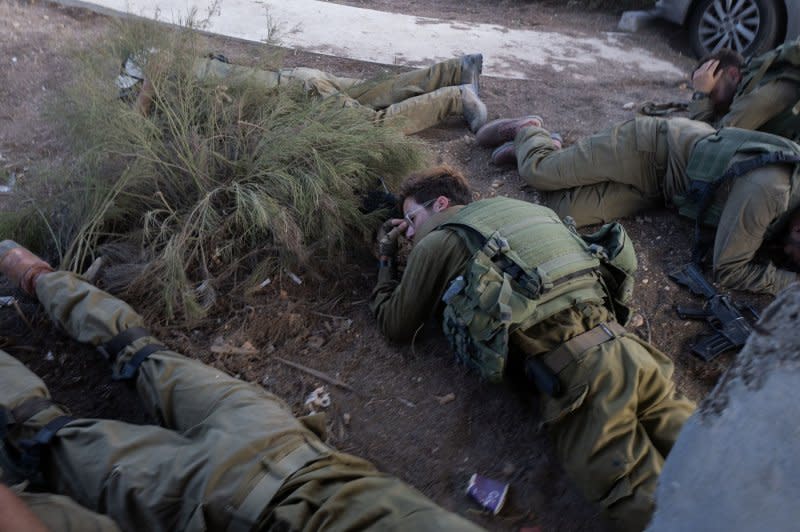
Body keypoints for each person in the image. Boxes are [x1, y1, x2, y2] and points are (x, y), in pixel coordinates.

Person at [0, 241, 485, 532]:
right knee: (46, 435)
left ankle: (32, 272)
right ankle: (35, 278)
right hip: (216, 494)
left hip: (274, 439)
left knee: (138, 353)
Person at [369, 166, 696, 532]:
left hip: (581, 380)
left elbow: (394, 324)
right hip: (632, 352)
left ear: (441, 203)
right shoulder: (525, 211)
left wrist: (385, 258)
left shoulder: (438, 241)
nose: (409, 232)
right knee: (708, 455)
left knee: (644, 501)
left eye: (411, 219)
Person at [477, 115, 800, 295]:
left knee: (561, 212)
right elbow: (730, 271)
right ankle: (530, 131)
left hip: (664, 191)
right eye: (794, 254)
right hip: (650, 146)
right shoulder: (771, 192)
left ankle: (550, 150)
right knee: (540, 173)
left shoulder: (785, 205)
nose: (785, 257)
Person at [123, 53, 488, 135]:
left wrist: (143, 96)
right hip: (301, 80)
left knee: (371, 128)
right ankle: (459, 69)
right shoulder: (190, 62)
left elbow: (138, 116)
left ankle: (457, 97)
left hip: (302, 95)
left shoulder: (169, 78)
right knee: (376, 91)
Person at [688, 44, 800, 141]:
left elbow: (709, 140)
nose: (711, 101)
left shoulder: (760, 94)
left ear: (733, 75)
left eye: (712, 92)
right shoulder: (754, 77)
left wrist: (701, 95)